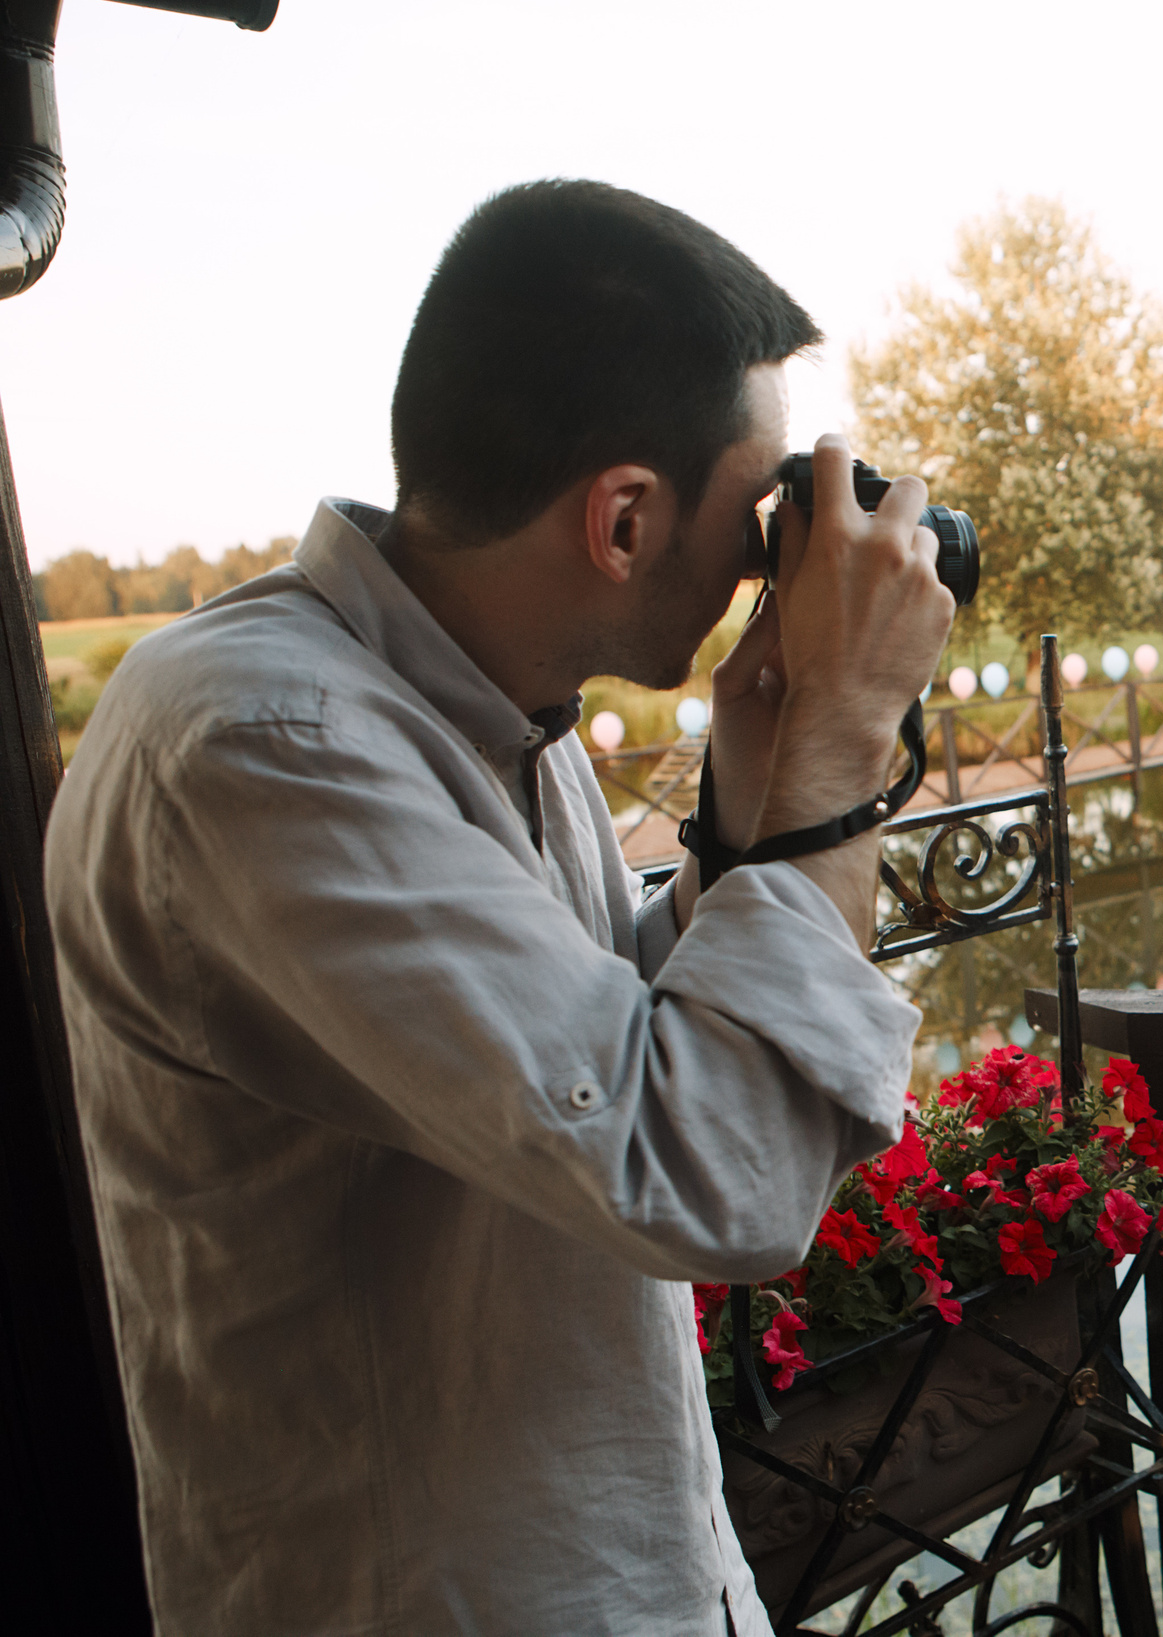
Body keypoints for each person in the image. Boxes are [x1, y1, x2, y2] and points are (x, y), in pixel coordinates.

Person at [45, 180, 956, 1635]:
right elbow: (716, 1166)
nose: (772, 555)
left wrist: (753, 780)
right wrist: (847, 730)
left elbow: (605, 1040)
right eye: (760, 501)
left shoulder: (463, 713)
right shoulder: (272, 746)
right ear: (623, 517)